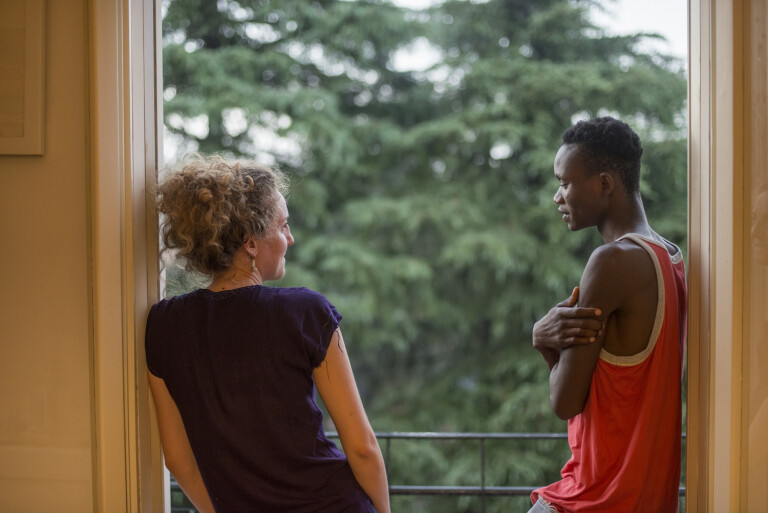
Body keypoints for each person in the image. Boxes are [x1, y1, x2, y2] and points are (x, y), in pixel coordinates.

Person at [145, 154, 391, 513]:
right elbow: (362, 447)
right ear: (250, 241)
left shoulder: (164, 325)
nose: (290, 239)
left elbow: (179, 461)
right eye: (282, 226)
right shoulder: (305, 312)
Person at [529, 117, 687, 513]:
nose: (557, 196)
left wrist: (542, 340)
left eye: (564, 182)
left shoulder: (612, 261)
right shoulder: (673, 258)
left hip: (593, 498)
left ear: (604, 183)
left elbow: (565, 401)